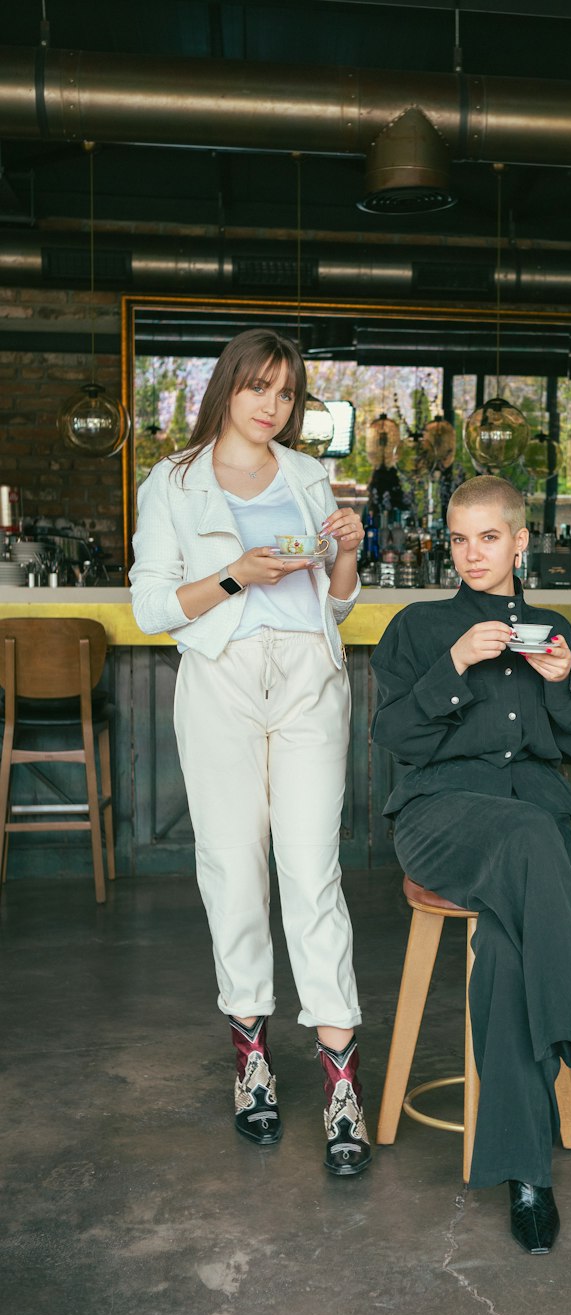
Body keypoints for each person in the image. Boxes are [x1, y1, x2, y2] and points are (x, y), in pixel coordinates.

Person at [370, 474, 571, 1254]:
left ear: (521, 542)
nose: (472, 553)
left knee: (512, 954)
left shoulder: (551, 628)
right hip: (442, 818)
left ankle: (529, 1176)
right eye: (459, 539)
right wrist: (453, 665)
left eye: (489, 537)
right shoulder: (420, 628)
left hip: (529, 834)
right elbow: (395, 736)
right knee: (530, 833)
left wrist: (560, 688)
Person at [129, 328, 371, 1176]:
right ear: (227, 388)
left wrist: (346, 549)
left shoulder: (307, 476)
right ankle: (253, 1059)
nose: (272, 405)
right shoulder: (174, 481)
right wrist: (237, 573)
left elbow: (337, 603)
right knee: (234, 868)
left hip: (309, 676)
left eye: (287, 392)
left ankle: (342, 1083)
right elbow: (152, 608)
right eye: (258, 387)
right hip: (223, 680)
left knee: (313, 871)